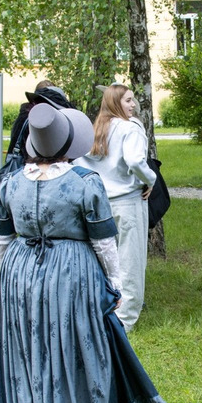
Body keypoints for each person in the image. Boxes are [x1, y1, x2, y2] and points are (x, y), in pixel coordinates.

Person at [0, 103, 166, 403]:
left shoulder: (11, 183)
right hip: (71, 275)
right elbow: (104, 244)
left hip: (19, 276)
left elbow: (3, 242)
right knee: (78, 355)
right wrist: (114, 285)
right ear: (70, 142)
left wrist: (18, 279)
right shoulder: (85, 183)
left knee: (29, 356)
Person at [76, 84, 156, 333]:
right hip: (127, 202)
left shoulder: (98, 127)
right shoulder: (130, 128)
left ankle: (102, 310)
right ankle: (125, 320)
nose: (133, 105)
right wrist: (150, 179)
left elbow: (79, 161)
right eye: (128, 101)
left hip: (100, 203)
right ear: (114, 103)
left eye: (133, 100)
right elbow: (134, 160)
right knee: (129, 260)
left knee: (103, 259)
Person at [3, 81, 74, 176]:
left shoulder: (25, 117)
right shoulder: (28, 117)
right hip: (35, 168)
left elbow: (15, 141)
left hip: (27, 170)